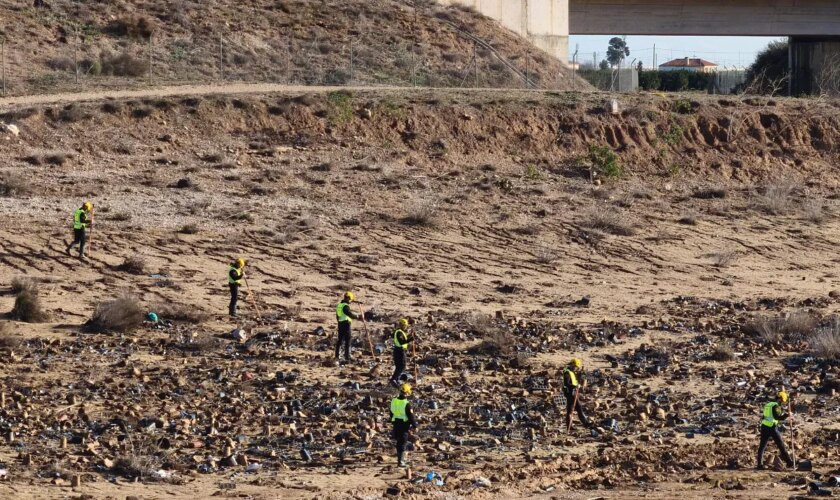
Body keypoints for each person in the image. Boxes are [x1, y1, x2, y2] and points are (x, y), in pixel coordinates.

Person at [757, 389, 795, 470]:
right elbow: (777, 417)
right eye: (783, 401)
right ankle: (790, 463)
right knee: (781, 446)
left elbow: (764, 416)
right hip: (772, 428)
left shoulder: (768, 404)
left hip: (764, 427)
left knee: (762, 446)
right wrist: (787, 415)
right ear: (780, 399)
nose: (783, 403)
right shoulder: (776, 406)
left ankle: (759, 464)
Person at [390, 383, 417, 467]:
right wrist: (414, 426)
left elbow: (391, 413)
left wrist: (393, 422)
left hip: (396, 423)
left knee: (399, 442)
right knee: (402, 442)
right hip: (403, 425)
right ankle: (401, 462)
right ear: (407, 393)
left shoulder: (394, 400)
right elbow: (410, 416)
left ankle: (400, 460)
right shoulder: (406, 404)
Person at [563, 358, 590, 430]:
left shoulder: (571, 372)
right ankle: (571, 426)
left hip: (573, 393)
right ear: (572, 365)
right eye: (575, 367)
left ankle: (585, 423)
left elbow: (573, 381)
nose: (576, 369)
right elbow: (567, 383)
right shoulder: (567, 372)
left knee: (578, 408)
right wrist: (575, 386)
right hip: (570, 393)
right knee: (571, 410)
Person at [335, 291, 359, 362]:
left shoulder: (339, 305)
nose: (351, 301)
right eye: (351, 300)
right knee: (348, 340)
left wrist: (339, 322)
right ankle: (347, 355)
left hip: (340, 324)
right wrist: (357, 316)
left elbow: (337, 316)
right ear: (348, 298)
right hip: (346, 324)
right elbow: (350, 314)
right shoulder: (345, 306)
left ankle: (337, 356)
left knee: (340, 340)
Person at [391, 318, 413, 387]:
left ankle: (395, 380)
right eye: (405, 325)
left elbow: (403, 339)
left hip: (398, 350)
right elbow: (401, 342)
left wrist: (410, 336)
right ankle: (394, 379)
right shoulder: (399, 332)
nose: (405, 327)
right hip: (399, 351)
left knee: (399, 366)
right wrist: (411, 339)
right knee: (402, 366)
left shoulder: (399, 332)